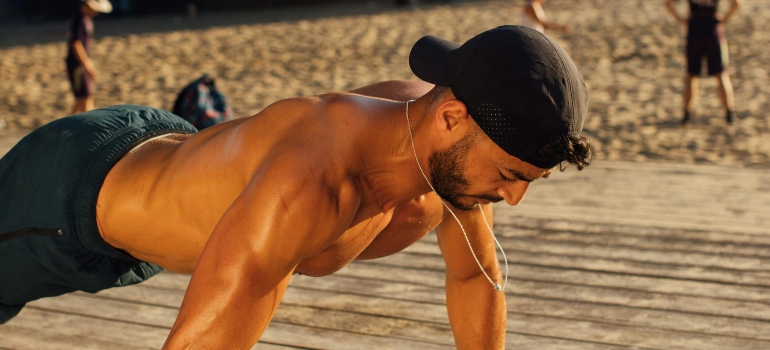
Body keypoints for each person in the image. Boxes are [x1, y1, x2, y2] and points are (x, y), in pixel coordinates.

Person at [1, 25, 590, 349]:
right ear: (453, 117)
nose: (513, 198)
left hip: (173, 153)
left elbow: (473, 277)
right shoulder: (312, 185)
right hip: (71, 196)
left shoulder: (448, 160)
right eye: (511, 176)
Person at [665, 0, 742, 124]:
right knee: (721, 73)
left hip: (694, 30)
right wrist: (725, 19)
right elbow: (737, 4)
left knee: (691, 74)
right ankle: (729, 113)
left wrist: (680, 19)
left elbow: (668, 4)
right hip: (713, 30)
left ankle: (686, 114)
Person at [65, 0, 113, 114]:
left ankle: (64, 129)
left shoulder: (85, 19)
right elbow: (75, 44)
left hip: (80, 63)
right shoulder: (79, 19)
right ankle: (84, 127)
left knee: (83, 99)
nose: (97, 12)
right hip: (77, 64)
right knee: (85, 97)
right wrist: (86, 64)